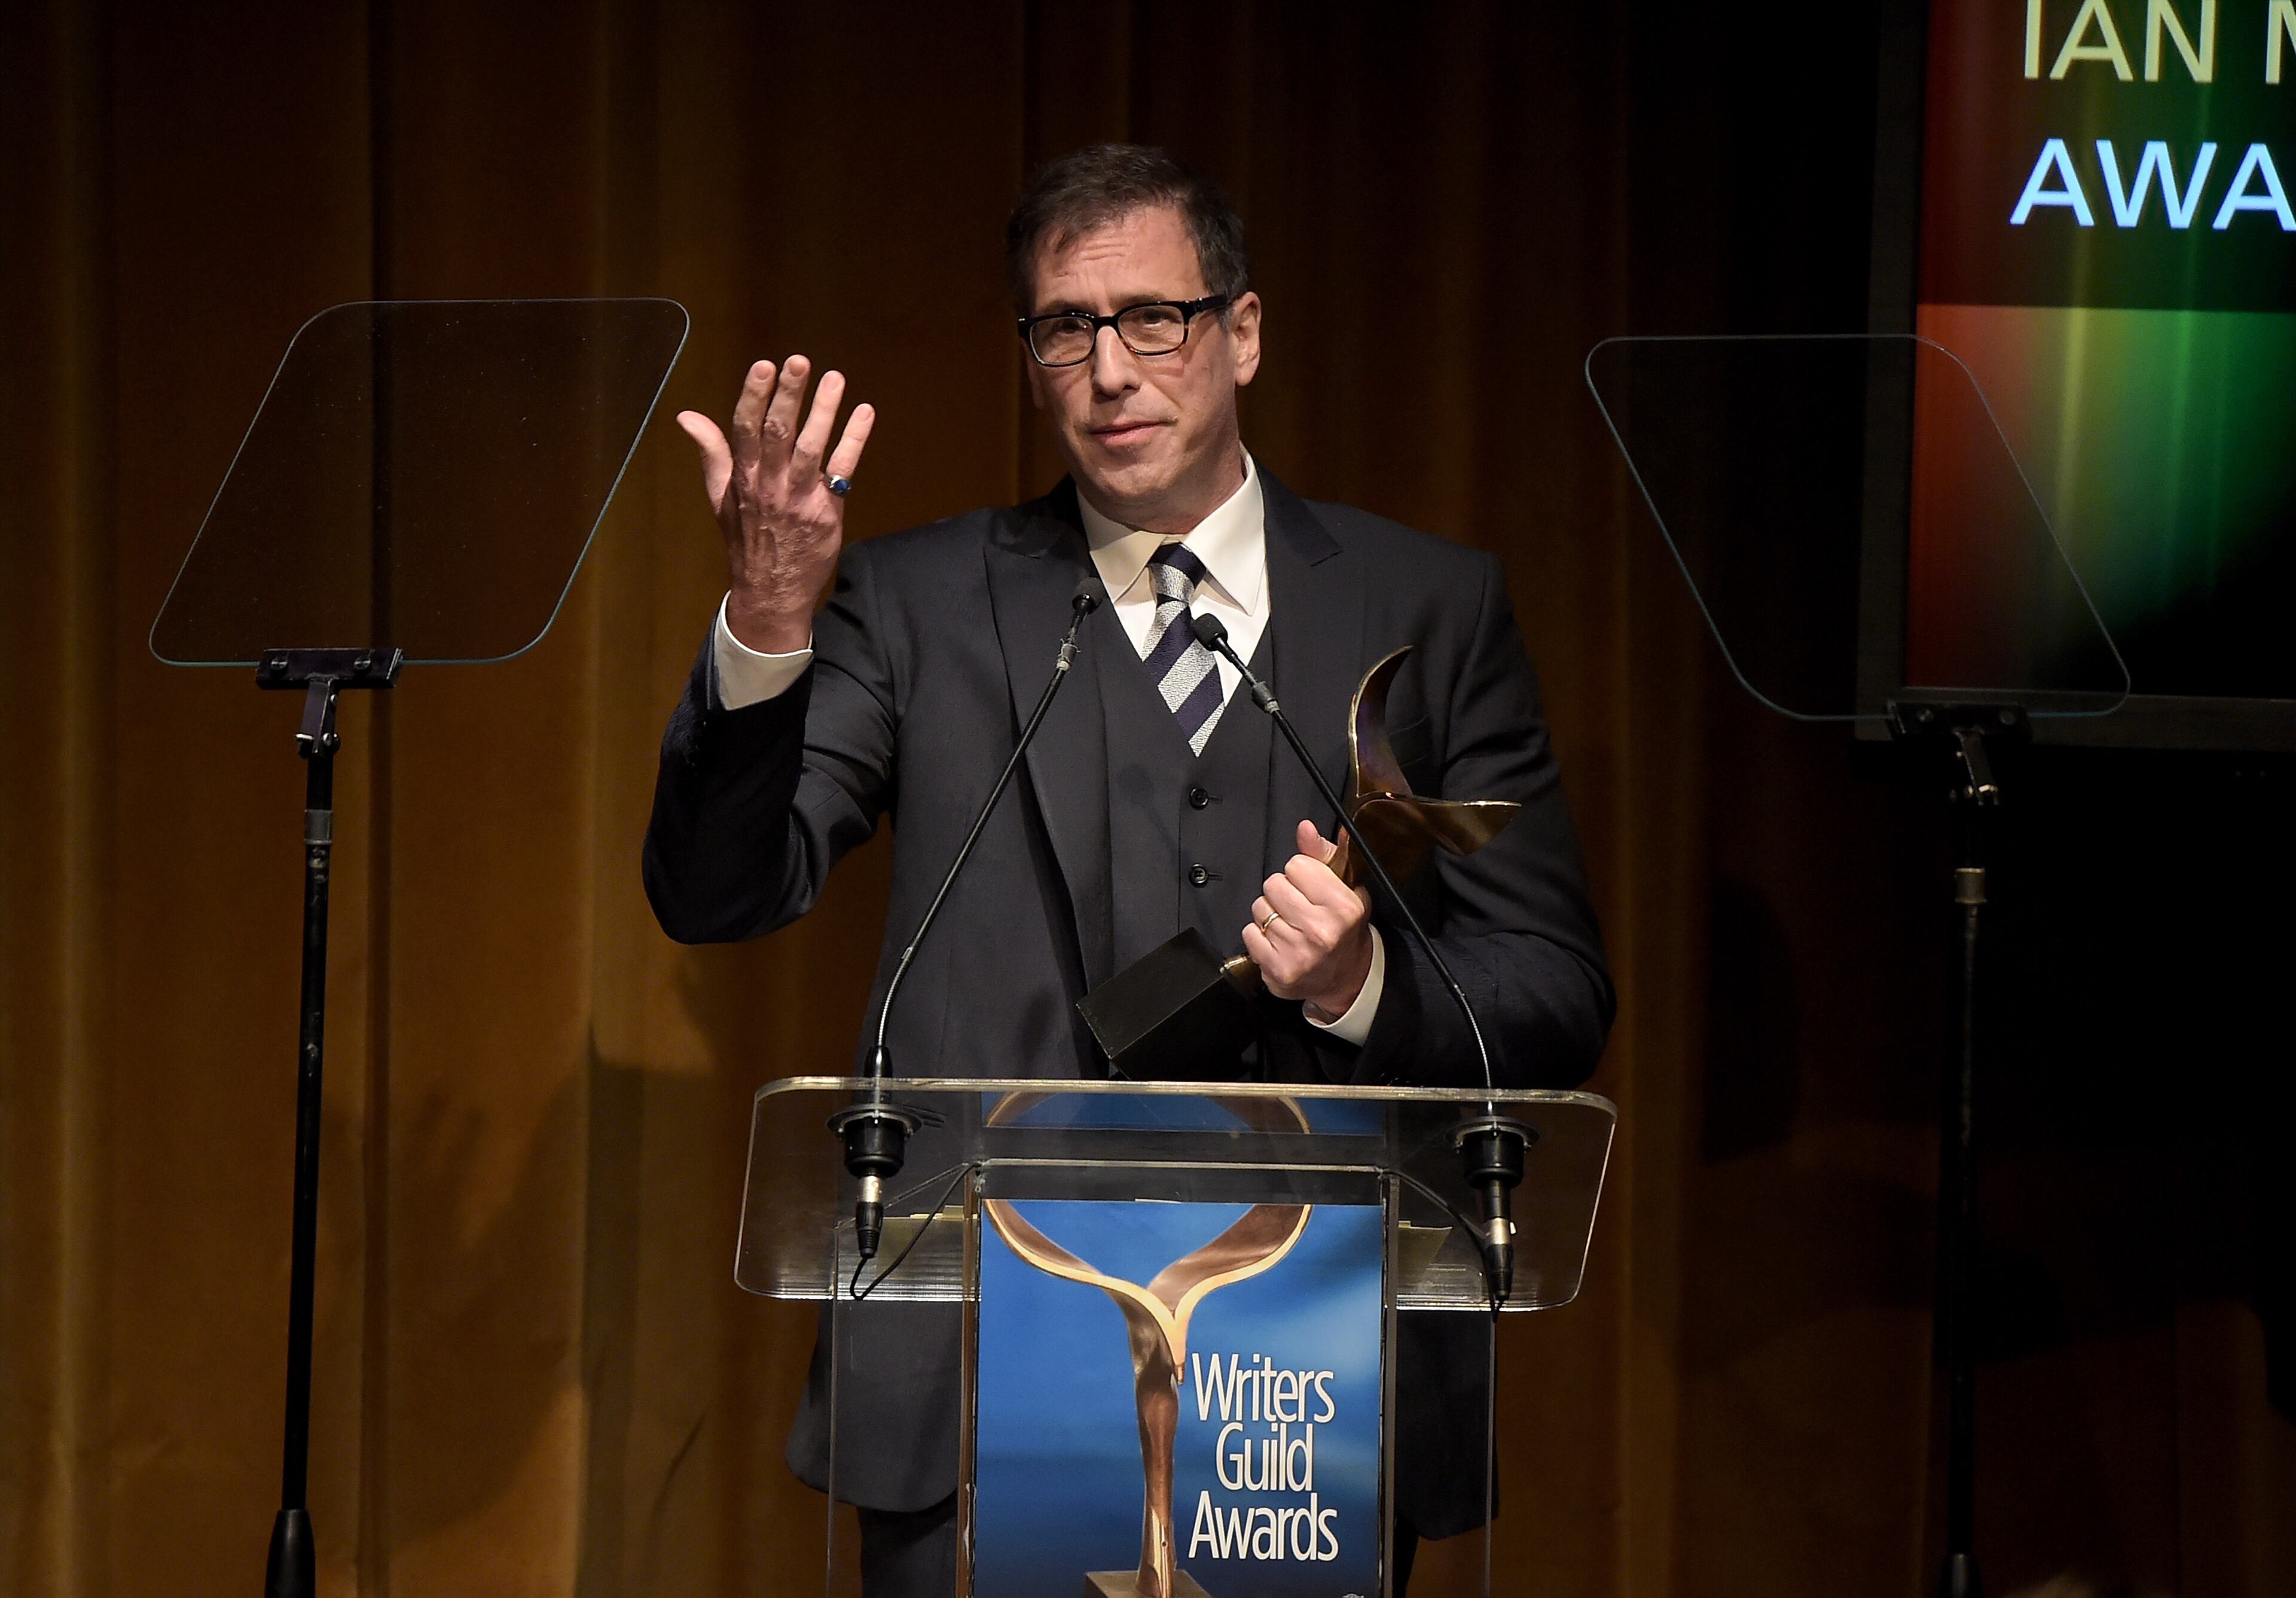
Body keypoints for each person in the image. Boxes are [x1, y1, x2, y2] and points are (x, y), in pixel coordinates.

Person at [644, 144, 1613, 1597]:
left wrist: (1365, 990)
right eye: (1065, 327)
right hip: (975, 1364)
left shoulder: (1429, 605)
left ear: (1243, 331)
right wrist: (768, 616)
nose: (1111, 370)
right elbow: (720, 889)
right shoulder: (918, 604)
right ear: (1032, 354)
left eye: (1154, 318)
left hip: (1319, 1374)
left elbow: (1554, 990)